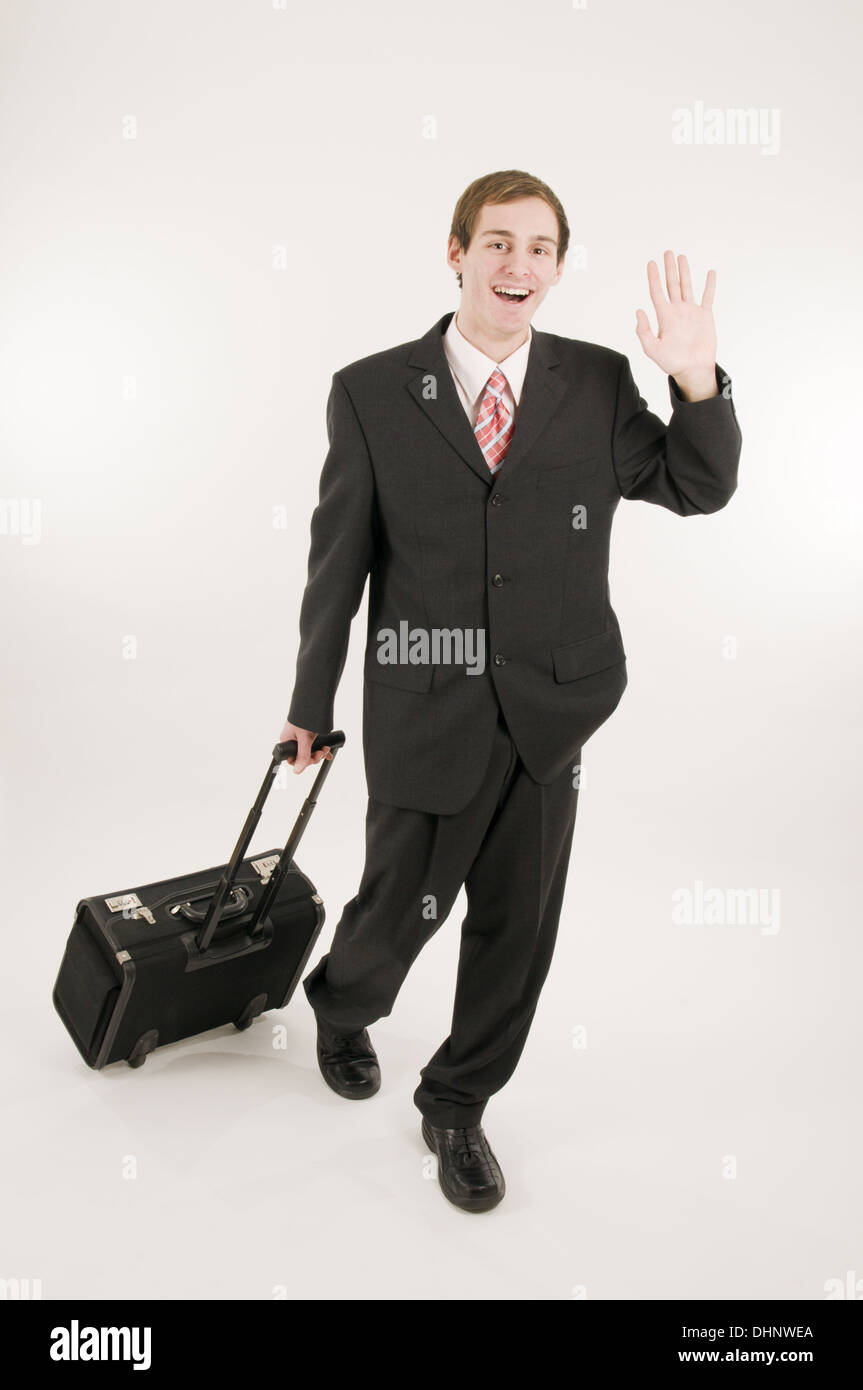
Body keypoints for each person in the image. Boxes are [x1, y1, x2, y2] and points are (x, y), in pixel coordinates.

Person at [277, 169, 742, 1214]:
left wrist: (697, 383)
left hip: (551, 709)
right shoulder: (370, 390)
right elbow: (336, 563)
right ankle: (343, 1004)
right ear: (455, 253)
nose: (516, 265)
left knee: (514, 929)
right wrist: (311, 700)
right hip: (420, 702)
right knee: (396, 908)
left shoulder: (591, 381)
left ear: (558, 267)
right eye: (496, 243)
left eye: (538, 248)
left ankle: (456, 1103)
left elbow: (694, 486)